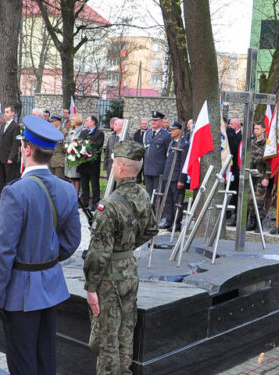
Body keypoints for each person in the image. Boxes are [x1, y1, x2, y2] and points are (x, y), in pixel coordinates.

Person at [0, 115, 81, 375]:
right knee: (45, 357)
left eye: (22, 145)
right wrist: (47, 257)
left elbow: (4, 251)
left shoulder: (15, 191)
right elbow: (72, 241)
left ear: (26, 149)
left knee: (22, 362)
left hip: (19, 291)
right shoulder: (66, 189)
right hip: (50, 284)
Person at [83, 140, 158, 375]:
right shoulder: (143, 196)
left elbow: (98, 252)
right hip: (129, 270)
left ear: (121, 167)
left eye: (114, 163)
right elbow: (151, 229)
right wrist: (127, 246)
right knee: (126, 331)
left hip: (109, 277)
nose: (113, 167)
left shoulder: (109, 205)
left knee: (106, 338)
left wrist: (90, 286)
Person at [160, 120, 188, 230]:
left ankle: (177, 223)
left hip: (176, 177)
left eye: (173, 130)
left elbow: (183, 164)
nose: (171, 131)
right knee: (168, 200)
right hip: (168, 176)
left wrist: (181, 179)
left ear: (180, 131)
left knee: (177, 202)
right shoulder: (172, 142)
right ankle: (169, 220)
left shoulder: (184, 144)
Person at [143, 111, 171, 207]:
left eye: (156, 120)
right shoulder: (147, 133)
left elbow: (168, 154)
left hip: (159, 170)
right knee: (148, 193)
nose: (153, 122)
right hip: (147, 168)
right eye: (152, 120)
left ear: (161, 121)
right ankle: (148, 211)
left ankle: (156, 212)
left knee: (157, 194)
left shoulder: (166, 135)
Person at [78, 115, 105, 210]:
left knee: (94, 185)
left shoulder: (99, 133)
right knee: (84, 184)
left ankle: (95, 203)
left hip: (93, 164)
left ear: (93, 122)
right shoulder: (83, 132)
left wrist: (86, 145)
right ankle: (85, 202)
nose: (86, 122)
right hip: (83, 163)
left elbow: (98, 146)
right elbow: (78, 143)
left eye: (87, 120)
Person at [247, 121, 270, 231]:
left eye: (258, 129)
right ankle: (252, 221)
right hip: (251, 175)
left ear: (263, 130)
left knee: (259, 200)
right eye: (255, 129)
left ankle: (259, 223)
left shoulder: (267, 144)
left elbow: (269, 163)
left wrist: (266, 177)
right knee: (250, 200)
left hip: (261, 175)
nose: (255, 131)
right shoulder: (251, 143)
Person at [0, 106, 22, 191]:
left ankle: (9, 200)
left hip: (9, 158)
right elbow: (1, 142)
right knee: (1, 180)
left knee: (9, 180)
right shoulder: (2, 125)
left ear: (12, 113)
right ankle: (2, 198)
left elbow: (15, 144)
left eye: (7, 112)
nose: (5, 114)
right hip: (1, 157)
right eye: (5, 112)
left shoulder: (15, 126)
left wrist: (11, 157)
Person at [225, 118, 242, 226]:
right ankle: (227, 213)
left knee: (235, 193)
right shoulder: (229, 134)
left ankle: (235, 215)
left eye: (231, 124)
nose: (229, 125)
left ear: (236, 125)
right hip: (229, 169)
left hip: (236, 169)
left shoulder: (240, 136)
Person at [64, 114, 84, 193]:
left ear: (77, 121)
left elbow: (81, 142)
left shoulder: (82, 130)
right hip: (69, 156)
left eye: (72, 120)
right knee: (71, 177)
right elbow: (68, 140)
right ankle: (72, 194)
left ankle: (76, 196)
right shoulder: (71, 130)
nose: (71, 121)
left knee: (76, 177)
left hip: (76, 156)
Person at [133, 119, 149, 183]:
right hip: (139, 154)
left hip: (147, 154)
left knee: (146, 167)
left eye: (145, 123)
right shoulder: (136, 134)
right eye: (143, 124)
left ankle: (145, 180)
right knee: (138, 166)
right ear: (140, 124)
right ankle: (138, 179)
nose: (144, 125)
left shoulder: (150, 133)